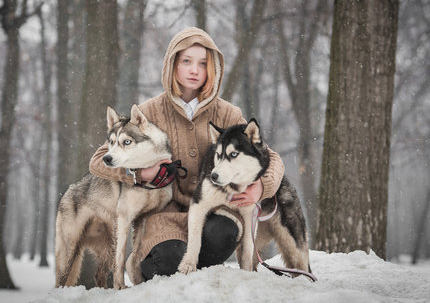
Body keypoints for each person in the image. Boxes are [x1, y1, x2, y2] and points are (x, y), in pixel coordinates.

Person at [89, 27, 284, 281]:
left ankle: (196, 280)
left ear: (212, 68)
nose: (195, 70)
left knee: (224, 233)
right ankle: (150, 266)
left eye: (203, 64)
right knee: (169, 259)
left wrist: (261, 186)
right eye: (186, 62)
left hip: (214, 210)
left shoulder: (228, 114)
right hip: (163, 217)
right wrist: (136, 173)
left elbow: (273, 159)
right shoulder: (149, 112)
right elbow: (98, 160)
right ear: (172, 65)